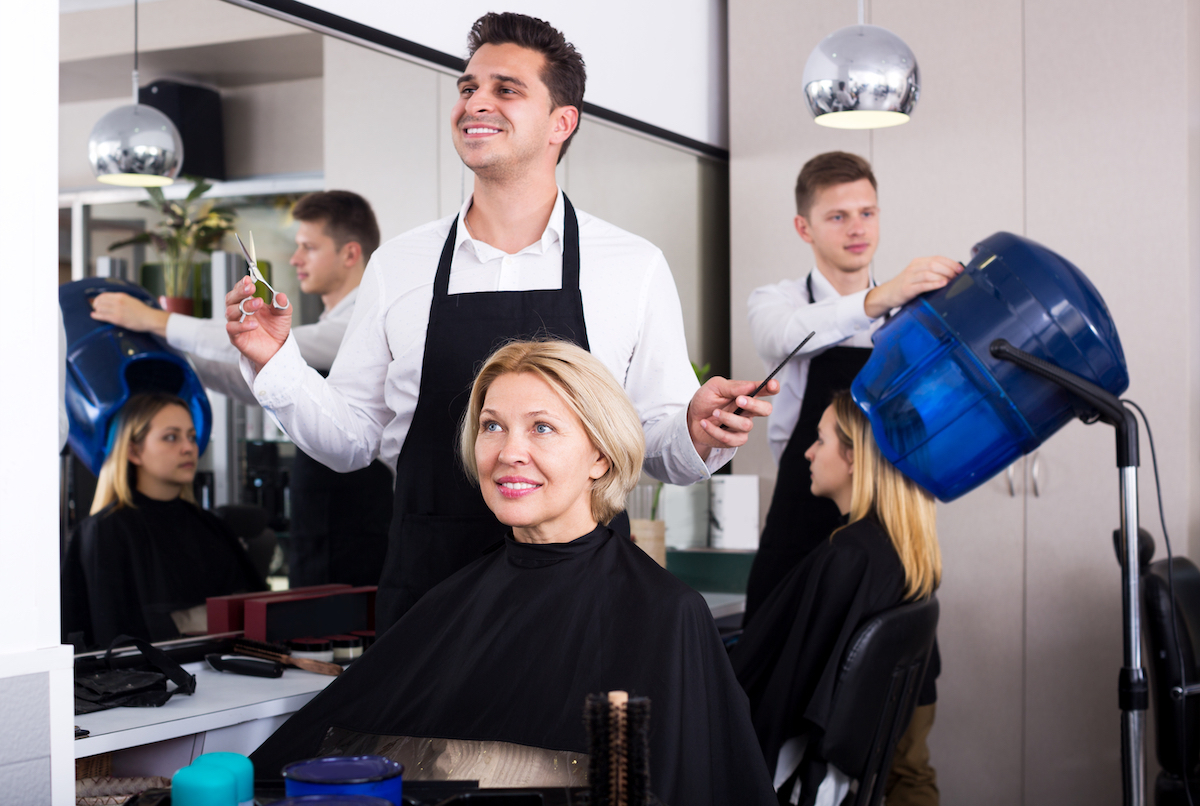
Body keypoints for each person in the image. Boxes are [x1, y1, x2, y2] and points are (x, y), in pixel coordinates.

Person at [224, 12, 775, 632]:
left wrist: (700, 431)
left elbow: (653, 447)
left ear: (561, 123)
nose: (474, 102)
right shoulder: (398, 265)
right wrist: (275, 362)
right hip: (430, 594)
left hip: (580, 597)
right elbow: (350, 441)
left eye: (505, 89)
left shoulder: (633, 266)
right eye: (467, 88)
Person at [249, 340, 778, 806]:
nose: (508, 453)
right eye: (492, 426)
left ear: (600, 455)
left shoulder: (665, 613)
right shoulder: (448, 603)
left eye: (542, 427)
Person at [90, 191, 393, 588]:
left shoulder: (359, 323)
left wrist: (157, 321)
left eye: (308, 247)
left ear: (350, 253)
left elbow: (268, 343)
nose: (294, 258)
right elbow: (255, 376)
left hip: (359, 517)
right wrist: (173, 358)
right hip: (318, 515)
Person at [730, 391, 942, 806]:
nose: (807, 453)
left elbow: (781, 691)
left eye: (821, 439)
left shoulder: (849, 556)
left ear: (853, 458)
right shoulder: (901, 549)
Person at [61, 393, 265, 649]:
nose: (189, 447)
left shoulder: (213, 528)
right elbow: (108, 637)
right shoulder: (104, 532)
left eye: (191, 436)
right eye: (171, 437)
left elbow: (256, 613)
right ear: (133, 451)